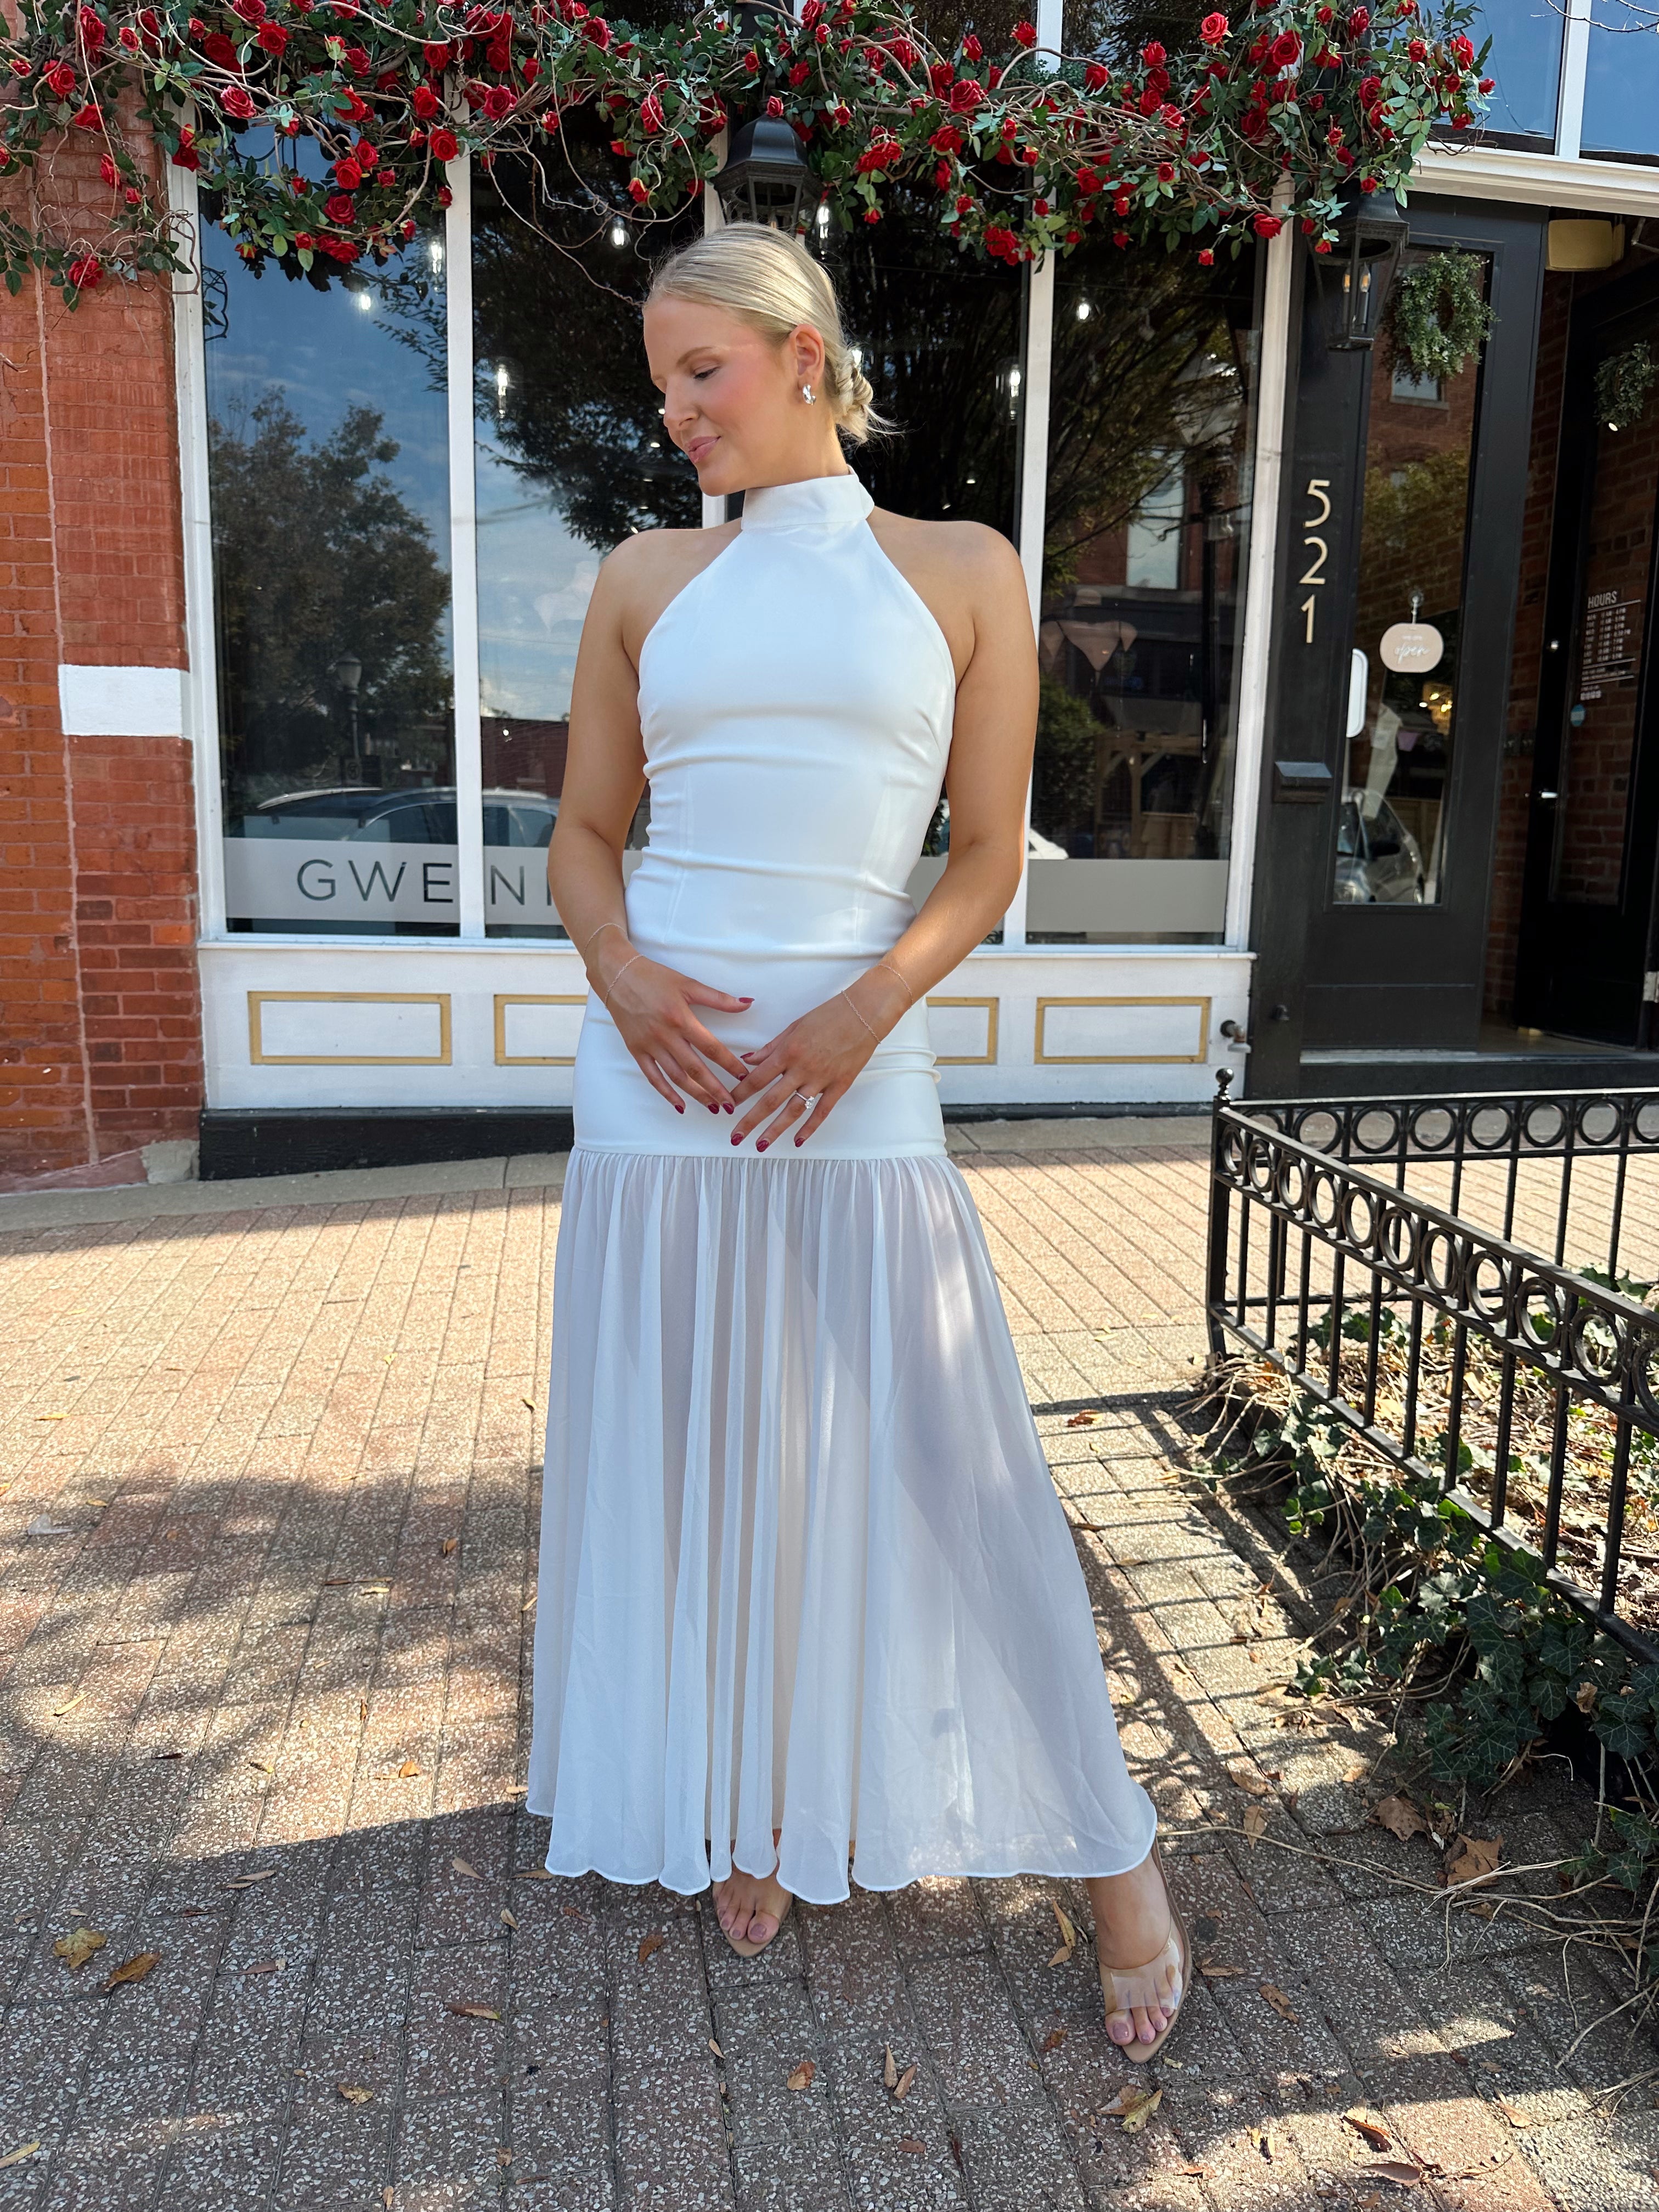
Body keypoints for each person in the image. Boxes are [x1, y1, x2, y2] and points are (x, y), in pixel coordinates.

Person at [525, 221, 1188, 2057]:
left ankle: (1115, 1865)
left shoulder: (963, 569)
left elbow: (983, 862)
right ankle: (753, 1799)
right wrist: (623, 974)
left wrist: (861, 1012)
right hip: (656, 1071)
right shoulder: (645, 579)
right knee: (707, 1439)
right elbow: (585, 835)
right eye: (660, 384)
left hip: (857, 1057)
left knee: (947, 1448)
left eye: (701, 374)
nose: (673, 415)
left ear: (803, 351)